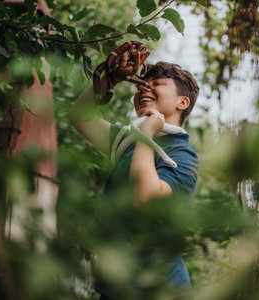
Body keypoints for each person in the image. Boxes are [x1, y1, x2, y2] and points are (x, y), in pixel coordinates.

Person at [68, 44, 200, 299]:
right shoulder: (129, 141)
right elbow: (80, 117)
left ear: (182, 102)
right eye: (141, 84)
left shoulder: (184, 156)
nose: (144, 87)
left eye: (157, 83)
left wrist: (146, 134)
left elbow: (144, 200)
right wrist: (107, 80)